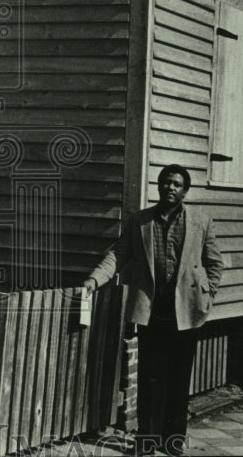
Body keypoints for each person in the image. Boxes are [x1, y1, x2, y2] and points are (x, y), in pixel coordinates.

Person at [83, 165, 224, 457]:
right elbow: (118, 254)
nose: (170, 188)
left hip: (186, 309)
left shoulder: (201, 221)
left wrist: (207, 295)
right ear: (158, 187)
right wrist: (94, 279)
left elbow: (214, 263)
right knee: (150, 376)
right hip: (152, 308)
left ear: (185, 191)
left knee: (179, 377)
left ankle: (173, 441)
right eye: (166, 182)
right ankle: (146, 441)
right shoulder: (140, 221)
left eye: (177, 184)